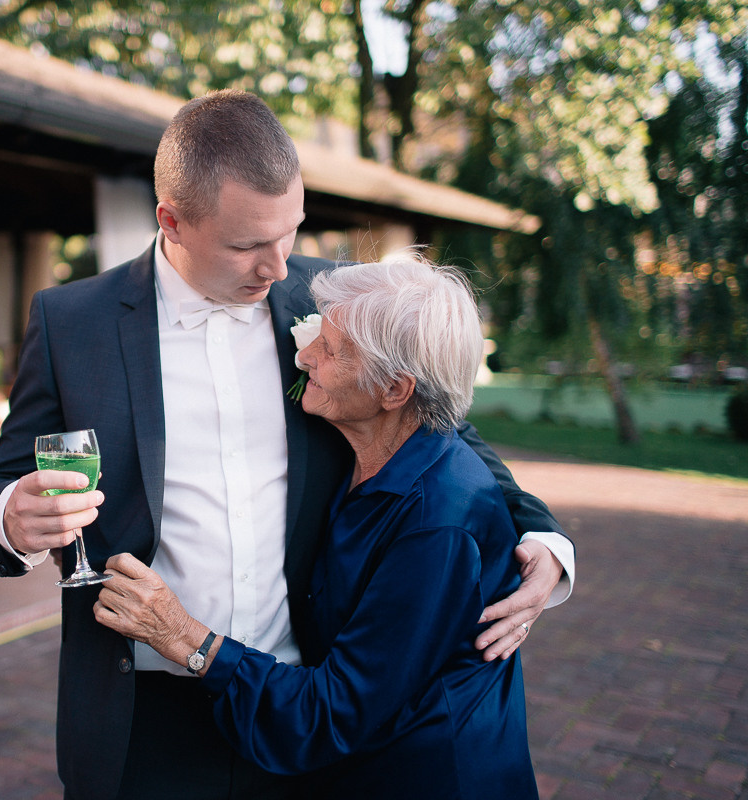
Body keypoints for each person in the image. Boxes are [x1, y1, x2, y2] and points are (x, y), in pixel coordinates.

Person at [0, 89, 574, 800]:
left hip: (305, 709)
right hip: (141, 715)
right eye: (249, 244)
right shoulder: (74, 321)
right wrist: (13, 517)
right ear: (173, 221)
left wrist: (546, 544)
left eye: (291, 232)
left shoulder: (330, 297)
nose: (279, 266)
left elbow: (442, 425)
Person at [95, 254, 539, 798]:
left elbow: (335, 711)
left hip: (425, 778)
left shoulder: (437, 524)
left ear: (395, 390)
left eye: (328, 350)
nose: (301, 355)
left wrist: (183, 636)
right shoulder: (372, 441)